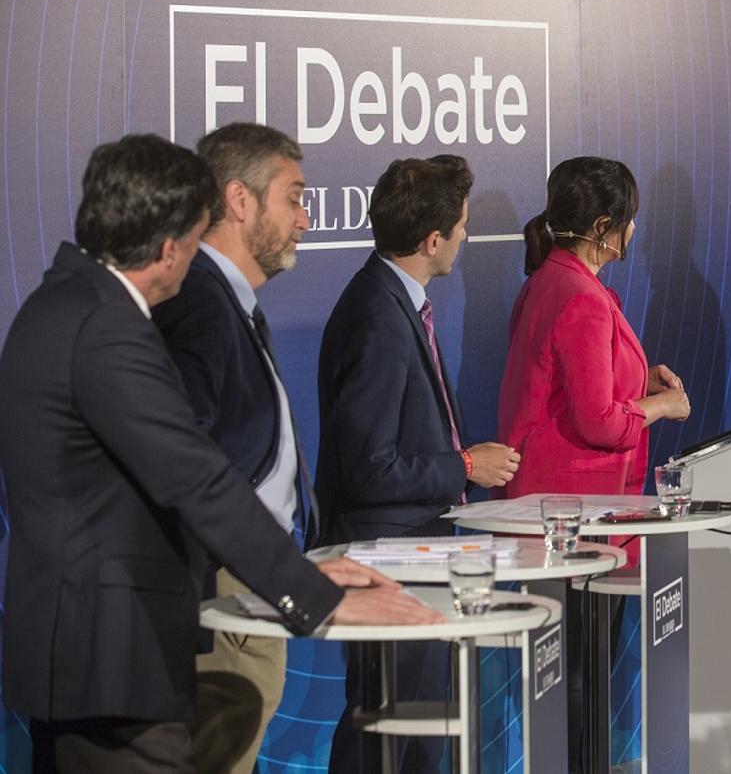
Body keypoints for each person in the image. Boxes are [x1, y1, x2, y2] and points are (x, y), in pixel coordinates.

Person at [0, 134, 439, 773]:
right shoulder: (102, 327)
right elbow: (195, 476)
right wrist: (314, 594)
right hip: (112, 660)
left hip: (98, 655)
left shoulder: (68, 304)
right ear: (174, 239)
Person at [317, 154, 519, 772]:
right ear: (432, 240)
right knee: (384, 730)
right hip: (388, 557)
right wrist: (463, 467)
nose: (465, 235)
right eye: (460, 225)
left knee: (417, 729)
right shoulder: (378, 317)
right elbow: (369, 469)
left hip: (413, 552)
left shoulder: (391, 298)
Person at [153, 122, 317, 774]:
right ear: (240, 200)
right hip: (225, 589)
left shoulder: (224, 298)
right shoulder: (197, 301)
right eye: (294, 197)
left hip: (250, 581)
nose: (305, 219)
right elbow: (181, 458)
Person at [499, 155, 690, 499]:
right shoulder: (582, 298)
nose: (633, 228)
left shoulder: (549, 279)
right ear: (603, 226)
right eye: (629, 218)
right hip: (569, 507)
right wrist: (665, 405)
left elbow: (561, 379)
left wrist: (638, 378)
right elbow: (600, 422)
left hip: (544, 494)